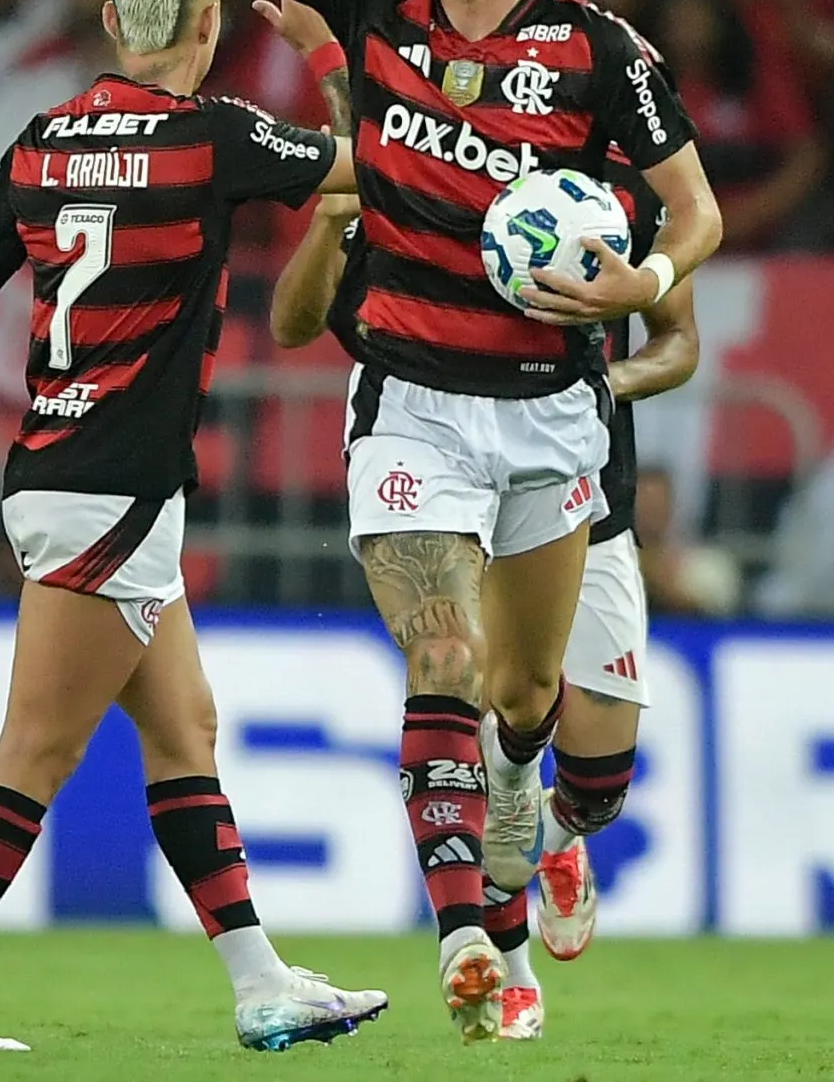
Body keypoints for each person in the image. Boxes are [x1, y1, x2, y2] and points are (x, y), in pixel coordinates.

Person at [169, 0, 726, 1040]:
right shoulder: (375, 11)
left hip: (553, 407)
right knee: (444, 665)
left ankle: (539, 808)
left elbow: (697, 210)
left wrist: (643, 284)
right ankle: (473, 935)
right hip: (410, 398)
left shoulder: (601, 55)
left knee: (535, 703)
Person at [0, 0, 376, 1053]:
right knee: (36, 748)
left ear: (109, 24)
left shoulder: (45, 139)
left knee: (184, 729)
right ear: (206, 28)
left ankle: (258, 983)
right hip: (115, 487)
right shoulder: (212, 136)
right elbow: (367, 167)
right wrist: (331, 57)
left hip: (58, 467)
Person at [271, 159, 699, 1042]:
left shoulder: (628, 183)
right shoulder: (429, 158)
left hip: (579, 470)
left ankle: (550, 816)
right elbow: (297, 320)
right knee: (470, 674)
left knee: (594, 776)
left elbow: (679, 342)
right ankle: (503, 960)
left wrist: (602, 383)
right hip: (450, 452)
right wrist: (329, 220)